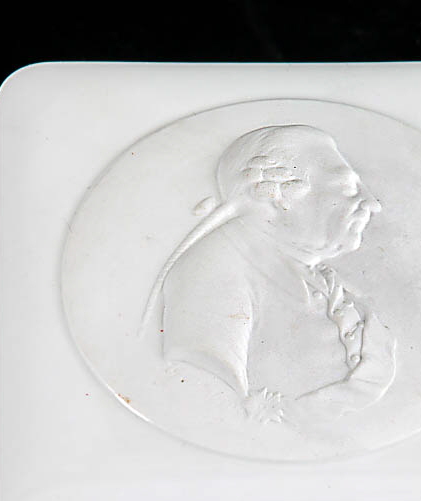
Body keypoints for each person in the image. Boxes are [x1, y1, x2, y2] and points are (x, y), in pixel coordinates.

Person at [142, 125, 396, 426]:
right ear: (279, 195)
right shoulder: (215, 270)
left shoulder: (311, 271)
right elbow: (209, 406)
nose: (373, 203)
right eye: (347, 187)